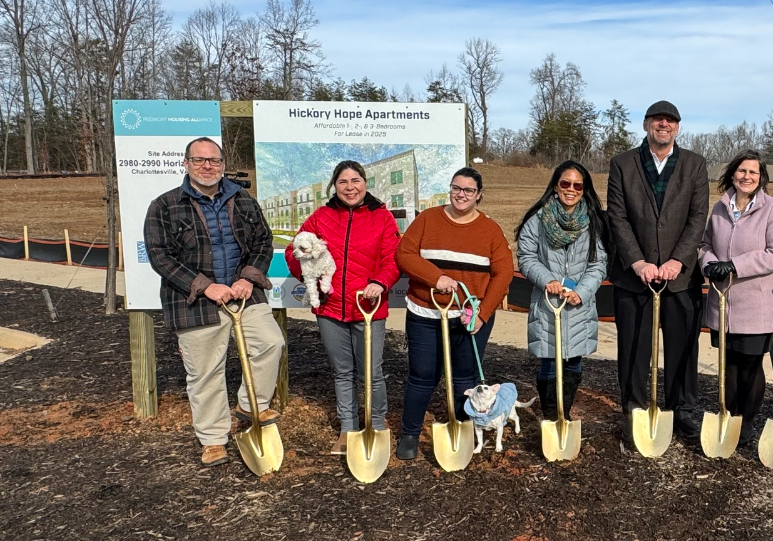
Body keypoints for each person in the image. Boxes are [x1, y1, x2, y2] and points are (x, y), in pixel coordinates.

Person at [143, 137, 285, 467]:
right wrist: (206, 287)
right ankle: (213, 439)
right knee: (205, 373)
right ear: (186, 164)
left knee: (271, 343)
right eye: (199, 160)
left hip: (243, 294)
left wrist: (248, 278)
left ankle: (251, 404)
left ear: (223, 165)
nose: (207, 166)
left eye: (214, 161)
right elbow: (159, 257)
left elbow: (263, 241)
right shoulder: (164, 205)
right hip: (195, 300)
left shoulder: (244, 200)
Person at [606, 100, 710, 444]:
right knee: (635, 347)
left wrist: (678, 261)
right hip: (634, 277)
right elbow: (617, 217)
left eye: (669, 121)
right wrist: (638, 262)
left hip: (680, 278)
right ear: (646, 125)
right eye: (656, 120)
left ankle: (682, 409)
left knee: (682, 347)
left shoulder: (695, 164)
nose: (663, 125)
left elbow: (698, 218)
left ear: (677, 128)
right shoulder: (622, 164)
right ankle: (635, 408)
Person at [394, 167, 514, 460]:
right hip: (426, 312)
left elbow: (504, 273)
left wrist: (482, 314)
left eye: (469, 191)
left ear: (479, 195)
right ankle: (409, 434)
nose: (461, 195)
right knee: (422, 375)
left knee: (464, 378)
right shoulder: (427, 220)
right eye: (456, 188)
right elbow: (404, 254)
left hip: (468, 316)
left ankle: (464, 428)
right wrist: (436, 278)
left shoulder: (490, 230)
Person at [284, 160, 400, 455]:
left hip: (368, 306)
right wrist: (307, 274)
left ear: (365, 183)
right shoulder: (321, 216)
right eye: (343, 182)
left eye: (356, 180)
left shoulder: (382, 217)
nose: (350, 187)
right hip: (330, 306)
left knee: (371, 372)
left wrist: (380, 283)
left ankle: (377, 423)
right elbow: (293, 249)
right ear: (334, 186)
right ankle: (347, 429)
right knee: (343, 372)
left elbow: (392, 258)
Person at [698, 149, 773, 449]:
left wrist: (735, 266)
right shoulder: (720, 207)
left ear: (761, 177)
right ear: (732, 174)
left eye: (753, 172)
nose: (746, 176)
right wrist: (709, 263)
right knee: (729, 363)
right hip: (723, 301)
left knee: (750, 364)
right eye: (741, 171)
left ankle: (746, 421)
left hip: (757, 302)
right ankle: (729, 416)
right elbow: (705, 243)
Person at [516, 160, 610, 421]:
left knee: (573, 361)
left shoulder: (593, 222)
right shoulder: (537, 220)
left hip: (578, 305)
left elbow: (599, 263)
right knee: (549, 361)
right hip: (549, 304)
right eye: (565, 183)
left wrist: (581, 291)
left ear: (584, 189)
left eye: (577, 185)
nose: (571, 189)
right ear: (555, 186)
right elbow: (526, 257)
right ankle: (549, 416)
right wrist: (547, 280)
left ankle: (563, 415)